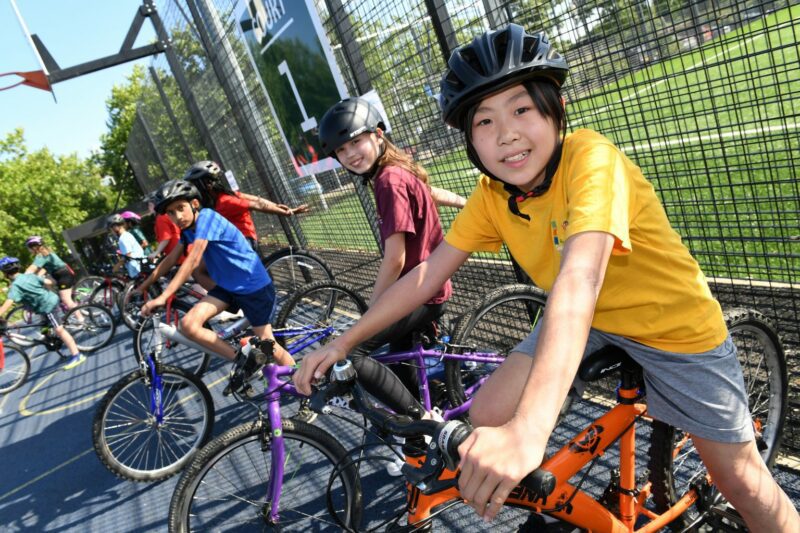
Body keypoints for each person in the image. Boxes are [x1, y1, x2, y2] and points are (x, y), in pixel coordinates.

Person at [295, 24, 799, 531]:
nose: (506, 133)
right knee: (487, 413)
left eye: (521, 110)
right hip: (589, 321)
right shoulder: (494, 195)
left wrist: (529, 432)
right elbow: (426, 273)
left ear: (554, 108)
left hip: (672, 329)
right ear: (470, 140)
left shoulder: (591, 158)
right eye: (484, 121)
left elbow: (580, 280)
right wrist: (345, 343)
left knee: (743, 483)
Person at [312, 97, 457, 429]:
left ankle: (424, 424)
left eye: (356, 142)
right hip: (426, 286)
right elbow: (430, 191)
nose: (350, 154)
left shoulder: (388, 180)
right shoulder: (397, 169)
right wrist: (468, 202)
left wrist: (373, 312)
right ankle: (420, 421)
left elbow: (395, 259)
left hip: (420, 291)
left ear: (378, 134)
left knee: (353, 352)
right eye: (341, 151)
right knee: (399, 358)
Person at [138, 180, 293, 369]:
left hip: (253, 287)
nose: (177, 216)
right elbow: (170, 260)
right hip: (228, 288)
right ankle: (245, 362)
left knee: (270, 346)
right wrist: (141, 288)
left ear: (194, 204)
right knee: (188, 325)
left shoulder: (207, 218)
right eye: (171, 212)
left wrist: (163, 297)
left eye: (180, 208)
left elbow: (194, 259)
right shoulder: (188, 230)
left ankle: (304, 382)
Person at [182, 160, 310, 252]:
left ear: (207, 185)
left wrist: (286, 212)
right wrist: (278, 206)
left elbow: (256, 204)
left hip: (244, 241)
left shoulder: (225, 201)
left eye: (197, 187)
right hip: (234, 240)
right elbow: (256, 199)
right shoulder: (221, 199)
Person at [0, 257, 85, 369]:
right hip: (48, 302)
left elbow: (8, 303)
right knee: (45, 329)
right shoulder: (29, 276)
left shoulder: (15, 286)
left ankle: (77, 355)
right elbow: (50, 282)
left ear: (5, 273)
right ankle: (57, 348)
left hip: (47, 307)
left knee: (59, 330)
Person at [24, 236, 79, 311]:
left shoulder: (41, 255)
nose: (28, 250)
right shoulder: (46, 252)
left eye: (28, 248)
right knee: (43, 282)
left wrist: (21, 278)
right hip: (60, 275)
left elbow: (32, 268)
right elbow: (44, 269)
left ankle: (81, 319)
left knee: (66, 300)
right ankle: (57, 299)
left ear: (34, 247)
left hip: (63, 275)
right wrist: (36, 277)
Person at [107, 214, 144, 279]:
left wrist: (115, 268)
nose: (111, 232)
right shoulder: (127, 234)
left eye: (111, 229)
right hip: (139, 267)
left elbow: (127, 256)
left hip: (137, 270)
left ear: (115, 226)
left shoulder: (123, 238)